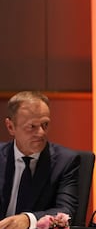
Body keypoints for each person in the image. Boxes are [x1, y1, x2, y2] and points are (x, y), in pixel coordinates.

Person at [0, 91, 80, 229]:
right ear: (11, 127)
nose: (41, 133)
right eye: (32, 126)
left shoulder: (66, 162)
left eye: (45, 125)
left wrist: (29, 220)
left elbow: (66, 211)